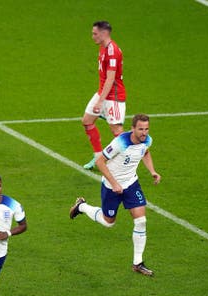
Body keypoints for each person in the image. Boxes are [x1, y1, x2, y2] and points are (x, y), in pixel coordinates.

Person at [69, 114, 161, 276]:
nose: (144, 133)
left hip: (131, 184)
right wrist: (114, 183)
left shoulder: (147, 140)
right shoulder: (120, 142)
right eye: (140, 129)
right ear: (132, 128)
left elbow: (145, 153)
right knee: (108, 222)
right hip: (111, 186)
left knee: (141, 221)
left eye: (146, 129)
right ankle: (81, 206)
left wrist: (152, 171)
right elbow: (99, 162)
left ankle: (138, 263)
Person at [81, 21, 126, 170]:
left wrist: (100, 103)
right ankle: (98, 156)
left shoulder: (112, 51)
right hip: (103, 92)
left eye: (95, 33)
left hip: (113, 96)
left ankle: (128, 161)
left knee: (118, 132)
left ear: (104, 33)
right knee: (87, 121)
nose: (92, 36)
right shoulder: (103, 47)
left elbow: (111, 78)